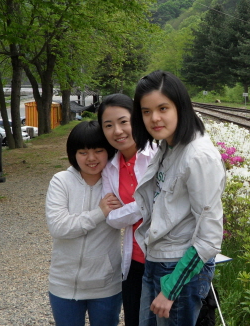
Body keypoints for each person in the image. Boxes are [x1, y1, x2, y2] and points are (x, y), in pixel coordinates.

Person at [131, 70, 226, 326]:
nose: (155, 118)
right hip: (157, 260)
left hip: (178, 270)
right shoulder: (168, 145)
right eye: (146, 111)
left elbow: (209, 236)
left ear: (180, 106)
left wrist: (171, 288)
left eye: (163, 108)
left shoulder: (198, 156)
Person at [45, 121, 122, 326]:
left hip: (106, 285)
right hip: (64, 284)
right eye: (83, 152)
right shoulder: (61, 181)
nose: (91, 158)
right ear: (73, 154)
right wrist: (100, 212)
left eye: (98, 151)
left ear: (109, 151)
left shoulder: (116, 182)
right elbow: (58, 227)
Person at [98, 94, 158, 326]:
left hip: (164, 259)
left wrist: (132, 208)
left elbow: (159, 202)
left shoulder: (157, 155)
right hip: (134, 260)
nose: (118, 131)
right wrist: (145, 204)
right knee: (134, 320)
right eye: (109, 125)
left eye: (124, 121)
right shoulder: (111, 167)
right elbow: (112, 219)